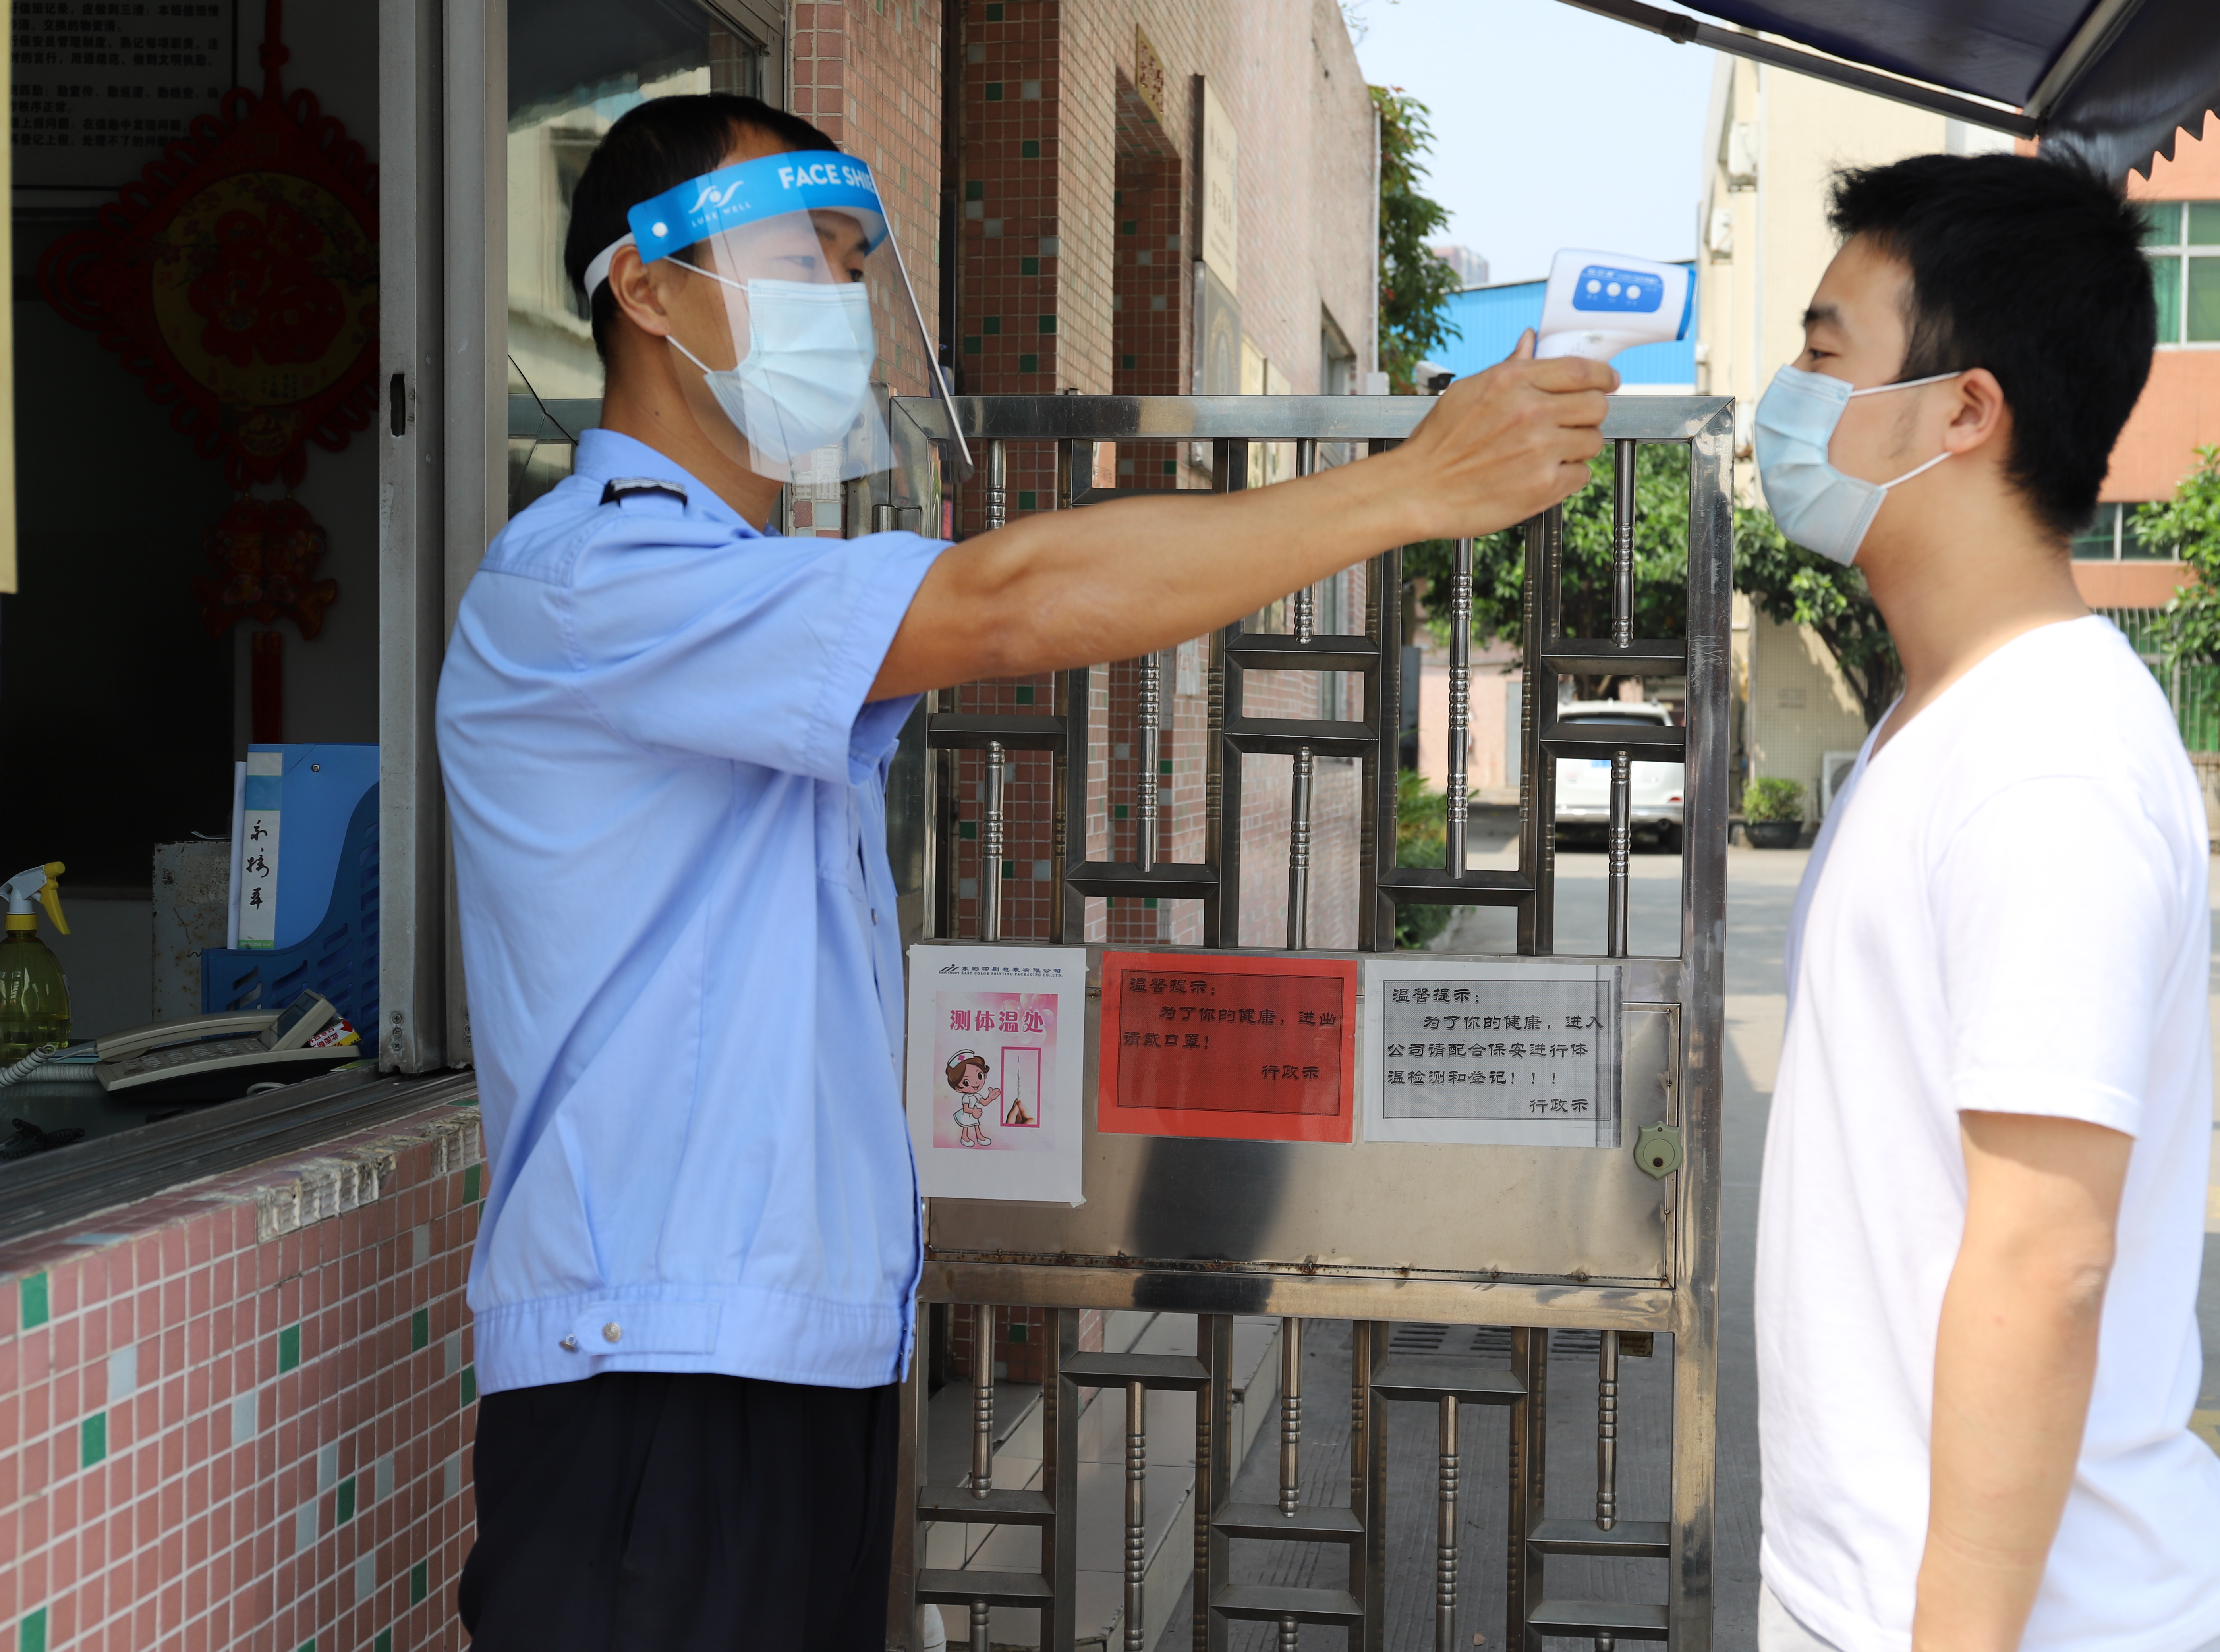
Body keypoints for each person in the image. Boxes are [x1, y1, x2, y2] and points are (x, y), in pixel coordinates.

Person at [436, 92, 1613, 1652]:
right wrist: (1409, 487)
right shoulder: (592, 576)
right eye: (802, 258)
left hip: (795, 1365)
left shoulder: (732, 584)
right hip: (653, 1380)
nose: (842, 306)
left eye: (858, 264)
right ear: (645, 291)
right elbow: (1011, 601)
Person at [1749, 153, 2220, 1652]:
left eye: (1826, 351)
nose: (1790, 396)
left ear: (1964, 411)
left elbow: (2047, 1261)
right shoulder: (1945, 718)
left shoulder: (2046, 765)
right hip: (1881, 1594)